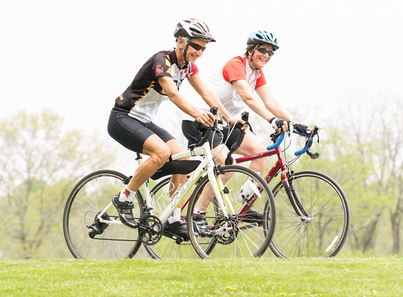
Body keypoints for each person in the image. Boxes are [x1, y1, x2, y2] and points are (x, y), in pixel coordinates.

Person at [108, 18, 233, 237]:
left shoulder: (189, 68)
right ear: (180, 41)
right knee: (162, 152)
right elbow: (173, 94)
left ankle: (174, 218)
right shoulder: (162, 60)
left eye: (203, 48)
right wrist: (198, 114)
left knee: (182, 157)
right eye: (196, 46)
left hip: (144, 122)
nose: (199, 52)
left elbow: (207, 94)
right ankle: (124, 197)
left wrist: (230, 119)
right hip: (123, 117)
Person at [181, 29, 293, 225]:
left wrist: (293, 123)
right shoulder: (236, 64)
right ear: (251, 50)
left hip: (226, 123)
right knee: (227, 164)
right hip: (199, 120)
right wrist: (272, 121)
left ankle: (244, 208)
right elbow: (248, 97)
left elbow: (270, 102)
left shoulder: (257, 73)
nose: (266, 55)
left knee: (260, 153)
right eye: (262, 50)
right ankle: (198, 213)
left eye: (270, 53)